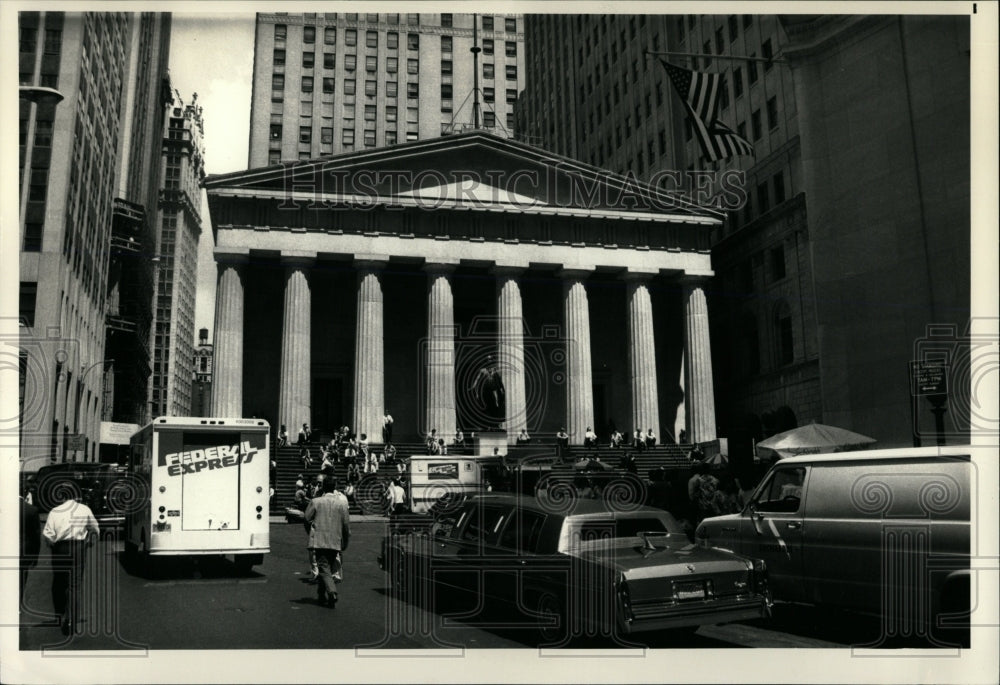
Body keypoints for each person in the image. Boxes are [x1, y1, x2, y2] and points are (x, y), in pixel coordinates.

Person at [43, 496, 100, 635]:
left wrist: (52, 545)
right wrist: (91, 541)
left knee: (59, 581)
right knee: (75, 585)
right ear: (76, 497)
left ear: (61, 497)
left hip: (60, 548)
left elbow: (48, 534)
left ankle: (60, 614)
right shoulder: (84, 509)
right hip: (78, 548)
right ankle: (72, 621)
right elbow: (95, 528)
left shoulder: (54, 511)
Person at [304, 477, 351, 608]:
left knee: (323, 567)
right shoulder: (342, 504)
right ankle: (321, 594)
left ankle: (332, 592)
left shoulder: (316, 502)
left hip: (320, 540)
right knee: (327, 567)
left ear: (323, 487)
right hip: (335, 541)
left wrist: (311, 532)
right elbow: (346, 526)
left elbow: (306, 518)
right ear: (334, 487)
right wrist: (345, 542)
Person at [20, 486, 40, 603]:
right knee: (21, 580)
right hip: (23, 551)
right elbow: (35, 537)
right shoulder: (32, 510)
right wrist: (34, 557)